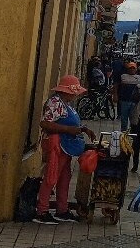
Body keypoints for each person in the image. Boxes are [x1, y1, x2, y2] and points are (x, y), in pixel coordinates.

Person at [35, 75, 95, 224]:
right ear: (66, 91)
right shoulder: (55, 102)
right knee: (51, 177)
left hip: (66, 147)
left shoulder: (66, 103)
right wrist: (68, 129)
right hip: (57, 145)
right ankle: (41, 211)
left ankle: (62, 210)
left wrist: (83, 129)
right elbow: (45, 124)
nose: (76, 95)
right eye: (74, 92)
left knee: (64, 178)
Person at [115, 61, 140, 132]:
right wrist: (115, 95)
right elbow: (117, 85)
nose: (132, 69)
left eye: (133, 68)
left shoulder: (139, 77)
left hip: (135, 102)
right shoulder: (123, 76)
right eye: (130, 68)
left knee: (133, 119)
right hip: (124, 100)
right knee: (124, 119)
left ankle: (132, 134)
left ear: (136, 69)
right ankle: (123, 134)